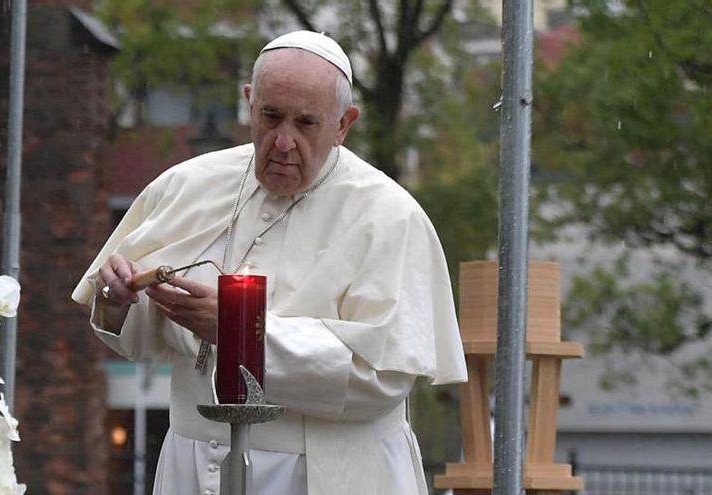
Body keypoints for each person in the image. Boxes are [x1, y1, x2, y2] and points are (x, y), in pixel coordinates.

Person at [72, 30, 466, 495]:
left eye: (306, 124)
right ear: (248, 103)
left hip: (326, 473)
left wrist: (240, 330)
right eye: (271, 117)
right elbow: (144, 337)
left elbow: (382, 375)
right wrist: (116, 298)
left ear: (344, 124)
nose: (282, 142)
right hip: (194, 464)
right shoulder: (185, 187)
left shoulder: (390, 217)